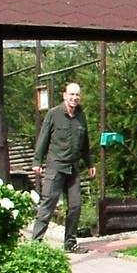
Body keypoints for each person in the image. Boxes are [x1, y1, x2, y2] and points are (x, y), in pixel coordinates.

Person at [30, 82, 95, 252]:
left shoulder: (81, 116)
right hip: (56, 166)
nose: (74, 98)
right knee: (48, 205)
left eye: (77, 95)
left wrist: (90, 163)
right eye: (71, 94)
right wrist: (37, 162)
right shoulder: (54, 114)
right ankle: (35, 245)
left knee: (75, 205)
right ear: (64, 95)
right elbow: (43, 138)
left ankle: (70, 243)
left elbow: (85, 143)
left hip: (73, 168)